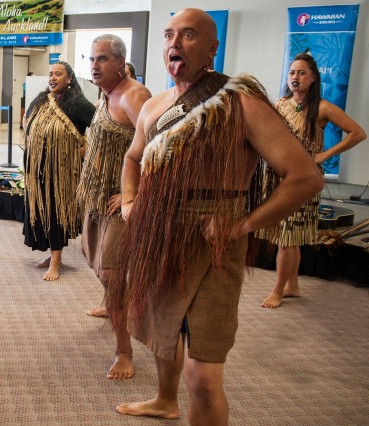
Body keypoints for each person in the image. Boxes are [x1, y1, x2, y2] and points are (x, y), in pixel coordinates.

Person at [107, 9, 323, 424]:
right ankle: (164, 401)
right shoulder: (155, 106)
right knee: (163, 332)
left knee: (204, 378)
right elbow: (133, 158)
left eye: (188, 35)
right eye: (169, 34)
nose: (174, 43)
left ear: (212, 48)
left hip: (215, 238)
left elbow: (305, 177)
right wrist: (132, 202)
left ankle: (178, 399)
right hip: (160, 231)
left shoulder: (240, 102)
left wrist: (241, 225)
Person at [256, 52, 366, 308]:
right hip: (276, 177)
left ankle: (278, 290)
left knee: (287, 237)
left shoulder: (323, 107)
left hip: (302, 180)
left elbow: (357, 133)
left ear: (313, 78)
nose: (296, 78)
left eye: (302, 73)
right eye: (292, 72)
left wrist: (326, 154)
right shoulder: (281, 104)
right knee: (289, 236)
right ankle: (292, 284)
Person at [76, 34, 152, 380]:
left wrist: (131, 195)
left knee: (111, 273)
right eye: (92, 59)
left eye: (103, 59)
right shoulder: (106, 96)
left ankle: (124, 351)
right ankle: (113, 304)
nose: (94, 65)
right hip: (96, 198)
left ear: (121, 63)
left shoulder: (135, 95)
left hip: (118, 203)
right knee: (100, 266)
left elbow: (160, 148)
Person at [23, 61, 95, 280]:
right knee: (41, 210)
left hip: (62, 172)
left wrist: (86, 150)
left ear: (70, 78)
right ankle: (52, 256)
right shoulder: (42, 99)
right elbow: (26, 121)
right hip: (37, 168)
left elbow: (101, 129)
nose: (53, 78)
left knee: (56, 212)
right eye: (51, 74)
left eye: (58, 74)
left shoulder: (79, 104)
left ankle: (55, 262)